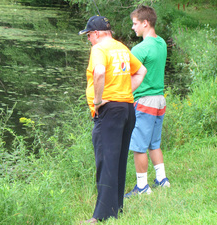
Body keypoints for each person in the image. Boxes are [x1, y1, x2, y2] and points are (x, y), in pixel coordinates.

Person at [78, 15, 147, 223]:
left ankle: (100, 216)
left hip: (109, 112)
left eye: (89, 35)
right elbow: (141, 71)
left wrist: (98, 101)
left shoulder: (99, 49)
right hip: (126, 109)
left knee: (106, 161)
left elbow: (99, 72)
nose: (89, 39)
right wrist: (124, 92)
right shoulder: (121, 48)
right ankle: (116, 208)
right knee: (117, 160)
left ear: (97, 33)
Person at [125, 6, 170, 198]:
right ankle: (162, 179)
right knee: (154, 143)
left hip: (145, 102)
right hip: (160, 101)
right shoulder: (162, 44)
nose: (133, 28)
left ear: (145, 23)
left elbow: (125, 75)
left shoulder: (140, 48)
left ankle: (142, 187)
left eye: (135, 24)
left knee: (139, 146)